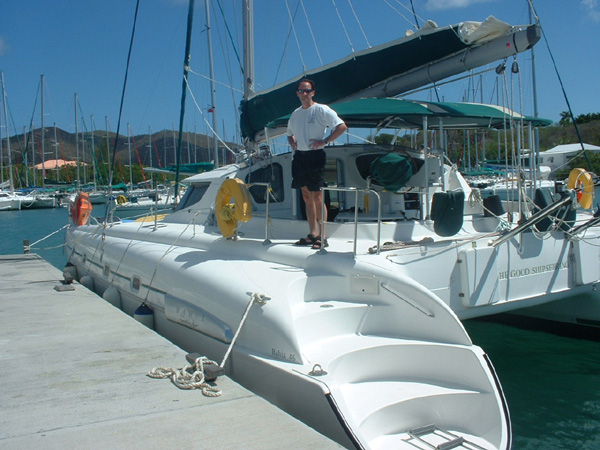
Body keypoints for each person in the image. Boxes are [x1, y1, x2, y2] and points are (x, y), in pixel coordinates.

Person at [287, 79, 347, 249]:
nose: (304, 94)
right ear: (297, 93)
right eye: (301, 91)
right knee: (306, 196)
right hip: (300, 157)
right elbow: (290, 133)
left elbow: (342, 126)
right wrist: (291, 141)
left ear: (313, 92)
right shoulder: (296, 114)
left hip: (315, 156)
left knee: (317, 196)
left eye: (307, 91)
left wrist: (325, 141)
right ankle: (312, 234)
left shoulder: (321, 110)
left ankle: (323, 236)